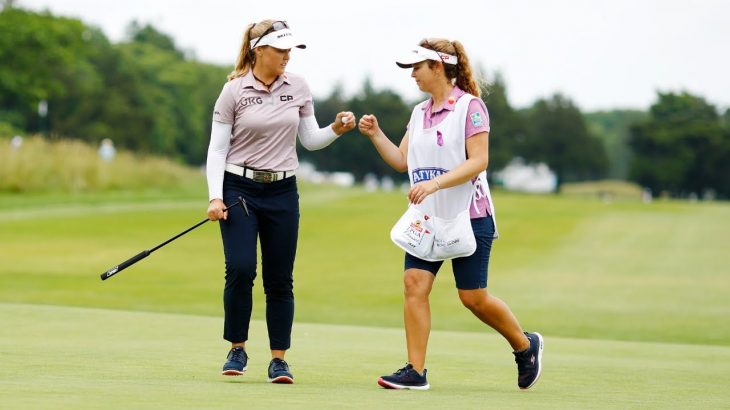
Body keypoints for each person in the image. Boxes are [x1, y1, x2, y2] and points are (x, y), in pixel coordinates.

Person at [358, 39, 543, 391]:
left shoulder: (470, 108)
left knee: (472, 298)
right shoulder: (419, 113)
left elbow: (479, 160)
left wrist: (435, 184)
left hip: (469, 216)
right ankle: (415, 370)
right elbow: (401, 161)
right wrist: (375, 134)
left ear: (438, 67)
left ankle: (525, 345)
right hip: (428, 218)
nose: (412, 74)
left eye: (417, 67)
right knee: (414, 285)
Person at [205, 19, 355, 384]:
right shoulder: (234, 91)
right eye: (281, 49)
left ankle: (278, 359)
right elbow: (217, 149)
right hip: (239, 189)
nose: (288, 55)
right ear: (260, 51)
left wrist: (336, 128)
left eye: (291, 50)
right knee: (241, 269)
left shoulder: (299, 87)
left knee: (279, 278)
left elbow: (310, 140)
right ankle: (237, 348)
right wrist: (215, 195)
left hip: (283, 192)